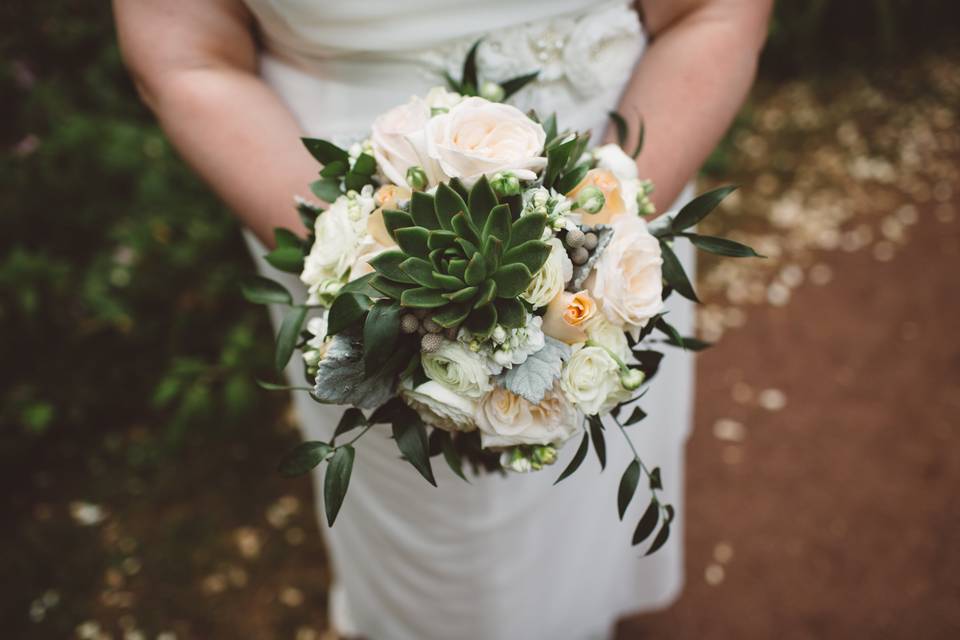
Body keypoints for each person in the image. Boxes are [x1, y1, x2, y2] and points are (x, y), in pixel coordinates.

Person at [113, 1, 770, 638]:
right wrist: (360, 271)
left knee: (586, 471)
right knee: (432, 539)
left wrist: (591, 240)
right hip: (333, 219)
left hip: (617, 180)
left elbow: (712, 12)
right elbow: (187, 58)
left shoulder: (599, 238)